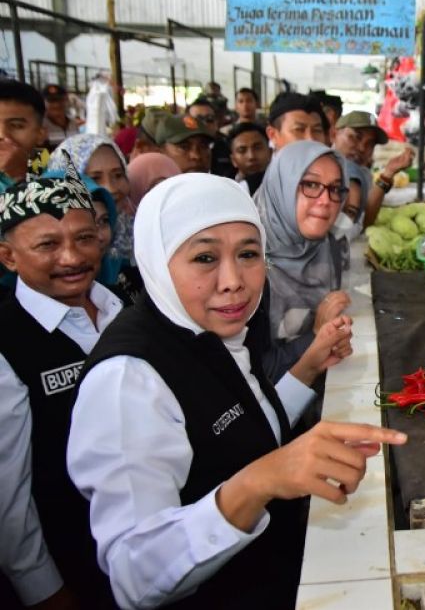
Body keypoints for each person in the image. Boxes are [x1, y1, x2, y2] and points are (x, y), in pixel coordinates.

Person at [66, 173, 405, 608]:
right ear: (156, 260)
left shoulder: (208, 329)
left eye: (248, 253)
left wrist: (307, 368)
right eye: (205, 257)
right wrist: (258, 483)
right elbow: (135, 574)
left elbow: (239, 425)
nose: (233, 281)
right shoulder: (128, 379)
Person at [0, 169, 123, 609]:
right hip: (73, 562)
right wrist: (44, 589)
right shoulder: (7, 344)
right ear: (9, 257)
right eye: (48, 244)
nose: (72, 257)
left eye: (84, 237)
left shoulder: (123, 309)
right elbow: (9, 493)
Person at [255, 140, 352, 344]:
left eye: (335, 188)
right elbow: (255, 369)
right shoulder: (247, 265)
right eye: (310, 184)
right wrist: (317, 334)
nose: (326, 200)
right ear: (281, 187)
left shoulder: (330, 245)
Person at [51, 133, 136, 267]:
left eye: (118, 175)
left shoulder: (136, 233)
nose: (111, 188)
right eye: (94, 179)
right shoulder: (51, 248)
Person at [334, 111, 413, 229]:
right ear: (334, 134)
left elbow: (364, 221)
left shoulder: (363, 173)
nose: (362, 148)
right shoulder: (320, 171)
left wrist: (388, 173)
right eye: (356, 137)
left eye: (370, 143)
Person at [0, 79, 47, 193]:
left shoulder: (59, 169)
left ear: (40, 134)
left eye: (16, 125)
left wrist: (20, 175)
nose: (2, 135)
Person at [187, 98, 235, 178]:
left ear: (217, 123)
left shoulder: (230, 147)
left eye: (209, 119)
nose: (204, 124)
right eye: (198, 120)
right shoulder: (178, 150)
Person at [229, 123, 273, 196]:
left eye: (257, 148)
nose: (251, 156)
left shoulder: (284, 182)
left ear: (270, 152)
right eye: (242, 150)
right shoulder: (226, 188)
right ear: (233, 160)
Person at [41, 84, 77, 150]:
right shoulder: (40, 126)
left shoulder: (73, 123)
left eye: (60, 100)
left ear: (67, 101)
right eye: (51, 101)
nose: (56, 105)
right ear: (43, 103)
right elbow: (36, 157)